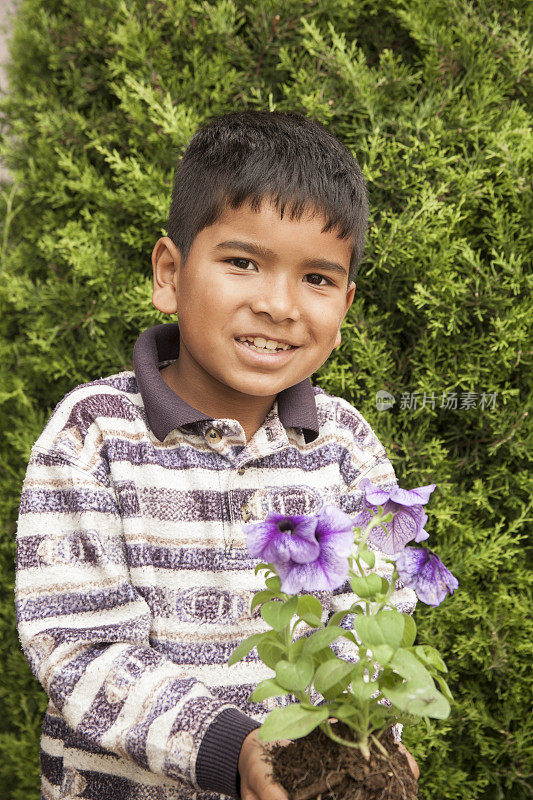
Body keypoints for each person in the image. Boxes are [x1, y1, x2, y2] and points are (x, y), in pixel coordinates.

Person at [15, 110, 419, 800]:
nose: (279, 304)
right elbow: (78, 651)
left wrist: (373, 741)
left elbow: (378, 619)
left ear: (345, 306)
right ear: (170, 273)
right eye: (242, 262)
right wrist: (232, 751)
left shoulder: (345, 445)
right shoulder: (93, 435)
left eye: (317, 279)